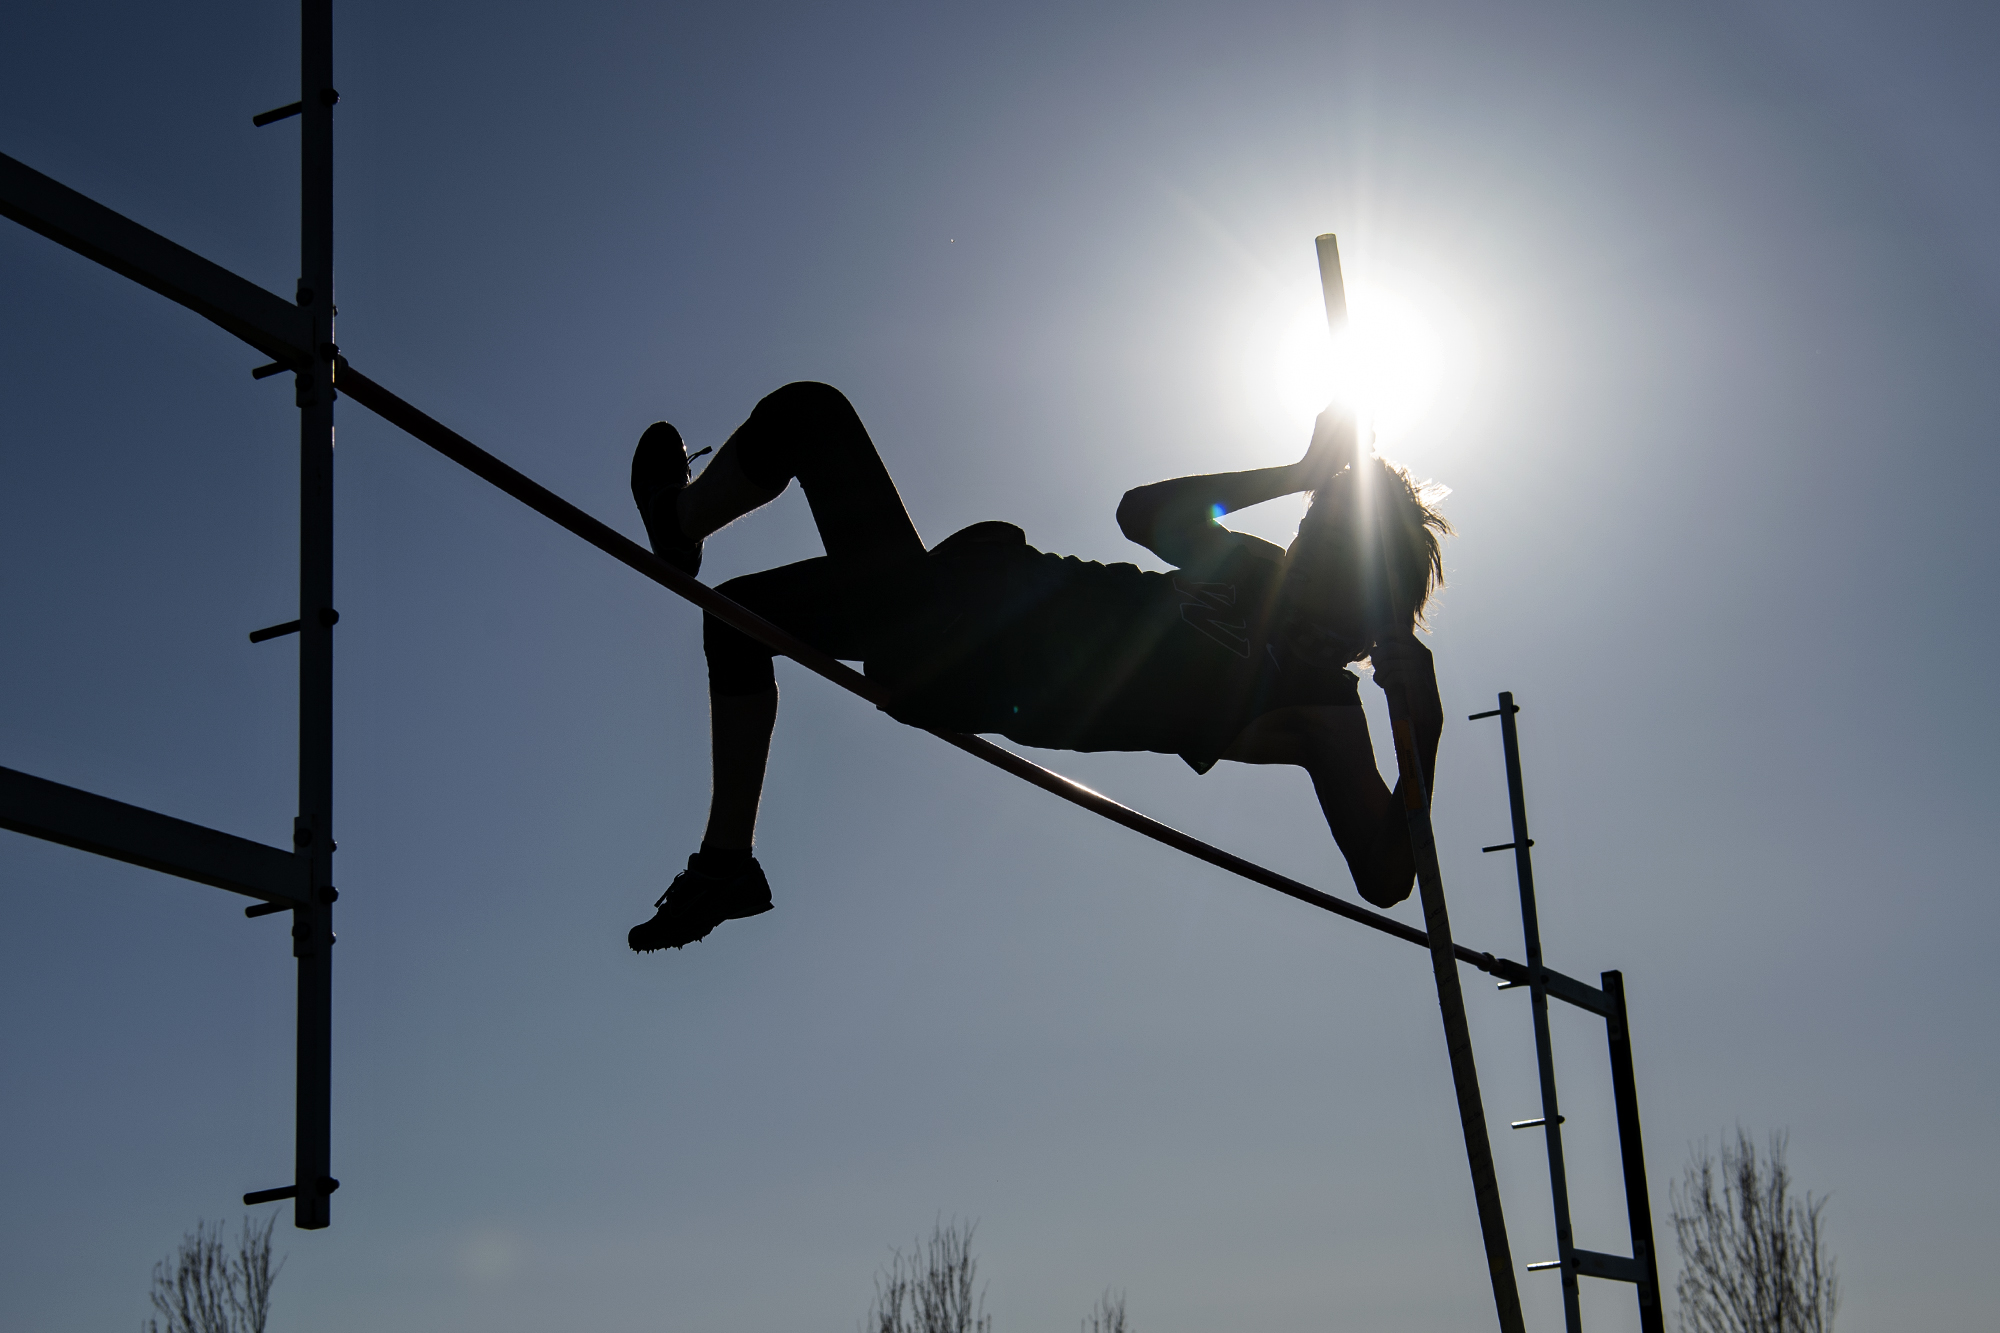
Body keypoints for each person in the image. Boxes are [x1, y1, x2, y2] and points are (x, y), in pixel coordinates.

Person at [625, 381, 1450, 952]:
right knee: (806, 415)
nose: (1301, 547)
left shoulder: (1319, 707)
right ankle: (680, 519)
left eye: (1327, 543)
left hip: (958, 651)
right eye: (1310, 527)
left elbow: (1384, 874)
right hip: (950, 590)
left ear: (1368, 596)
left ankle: (725, 865)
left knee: (736, 617)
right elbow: (1143, 512)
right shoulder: (1253, 573)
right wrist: (1299, 474)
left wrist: (1429, 734)